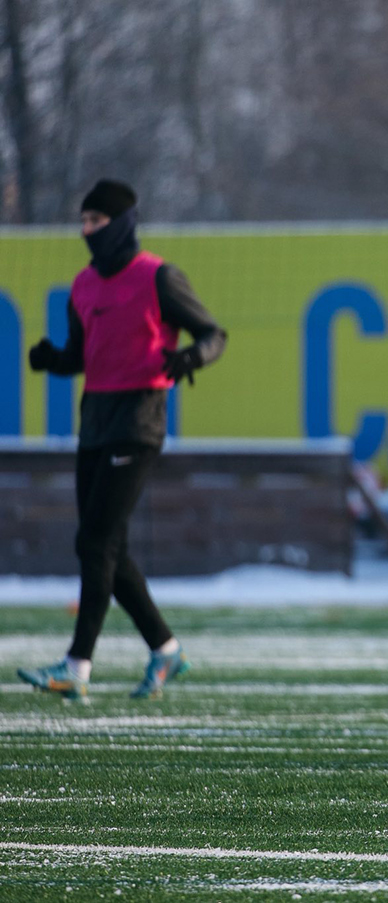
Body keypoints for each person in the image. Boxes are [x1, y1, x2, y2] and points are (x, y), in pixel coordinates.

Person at [20, 179, 227, 702]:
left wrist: (191, 358)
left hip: (139, 419)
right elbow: (80, 356)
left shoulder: (158, 277)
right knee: (109, 546)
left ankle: (76, 666)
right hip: (95, 421)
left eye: (96, 221)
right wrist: (54, 360)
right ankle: (165, 648)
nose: (87, 231)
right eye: (83, 222)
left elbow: (213, 334)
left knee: (93, 542)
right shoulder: (83, 285)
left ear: (122, 222)